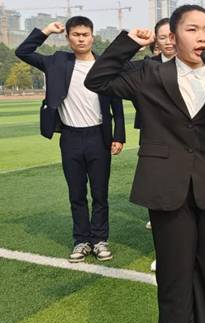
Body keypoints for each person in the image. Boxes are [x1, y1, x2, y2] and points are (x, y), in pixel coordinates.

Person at [84, 4, 205, 323]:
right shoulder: (149, 73)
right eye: (193, 29)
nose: (202, 36)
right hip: (166, 185)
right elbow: (98, 80)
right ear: (172, 38)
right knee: (174, 274)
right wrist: (128, 43)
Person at [15, 16, 125, 263]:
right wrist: (46, 31)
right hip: (70, 137)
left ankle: (100, 240)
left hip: (99, 137)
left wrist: (118, 136)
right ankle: (81, 240)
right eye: (76, 35)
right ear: (68, 38)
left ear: (92, 37)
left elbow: (116, 106)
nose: (81, 39)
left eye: (85, 34)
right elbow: (23, 52)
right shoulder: (57, 62)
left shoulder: (104, 65)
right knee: (76, 193)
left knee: (100, 193)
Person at [134, 18, 177, 271]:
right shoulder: (146, 68)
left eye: (172, 36)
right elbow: (105, 75)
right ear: (155, 42)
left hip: (189, 147)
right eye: (162, 38)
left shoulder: (199, 66)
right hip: (156, 145)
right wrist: (133, 45)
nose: (168, 42)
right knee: (160, 205)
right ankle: (163, 254)